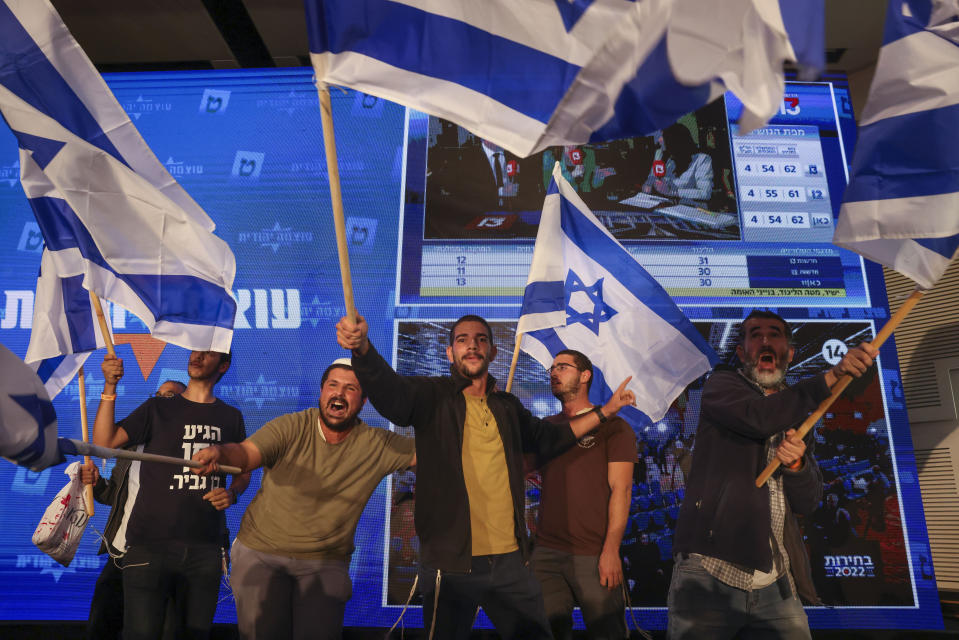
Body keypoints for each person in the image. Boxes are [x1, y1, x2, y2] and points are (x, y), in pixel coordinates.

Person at [336, 314, 636, 639]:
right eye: (462, 339)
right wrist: (363, 348)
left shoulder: (507, 406)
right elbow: (390, 392)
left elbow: (550, 438)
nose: (472, 345)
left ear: (492, 353)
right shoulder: (429, 396)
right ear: (450, 353)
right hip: (450, 563)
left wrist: (605, 412)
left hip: (509, 563)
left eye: (481, 339)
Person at [668, 310, 877, 639]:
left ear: (790, 353)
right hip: (709, 575)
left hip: (776, 582)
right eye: (755, 335)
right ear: (741, 351)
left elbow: (808, 501)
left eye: (775, 334)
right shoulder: (722, 385)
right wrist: (832, 376)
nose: (765, 340)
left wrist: (797, 467)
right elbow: (759, 418)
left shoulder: (798, 412)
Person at [190, 360, 416, 640]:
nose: (339, 394)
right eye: (332, 385)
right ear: (321, 392)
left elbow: (432, 454)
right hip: (261, 553)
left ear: (364, 400)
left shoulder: (378, 443)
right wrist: (220, 453)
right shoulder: (290, 426)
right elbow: (245, 454)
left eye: (350, 388)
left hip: (326, 561)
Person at [92, 351, 250, 640]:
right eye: (195, 350)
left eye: (208, 353)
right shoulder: (157, 408)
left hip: (205, 551)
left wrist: (233, 493)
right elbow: (104, 443)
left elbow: (244, 469)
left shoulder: (231, 417)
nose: (197, 356)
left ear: (224, 365)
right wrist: (110, 387)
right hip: (148, 547)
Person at [531, 349, 635, 639]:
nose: (553, 373)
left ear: (585, 375)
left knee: (608, 634)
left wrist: (611, 550)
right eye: (552, 368)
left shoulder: (614, 427)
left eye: (562, 367)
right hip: (546, 555)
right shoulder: (546, 428)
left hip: (594, 554)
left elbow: (622, 490)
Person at [81, 380, 186, 640]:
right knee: (100, 628)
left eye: (170, 396)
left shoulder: (190, 451)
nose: (160, 400)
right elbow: (117, 495)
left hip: (167, 560)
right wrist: (95, 484)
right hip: (121, 555)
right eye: (157, 395)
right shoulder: (132, 445)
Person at [642, 123, 714, 207]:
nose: (658, 140)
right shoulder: (660, 153)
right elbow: (652, 177)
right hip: (663, 205)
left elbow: (705, 193)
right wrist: (648, 185)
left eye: (662, 136)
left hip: (690, 209)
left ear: (674, 140)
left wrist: (672, 192)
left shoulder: (702, 159)